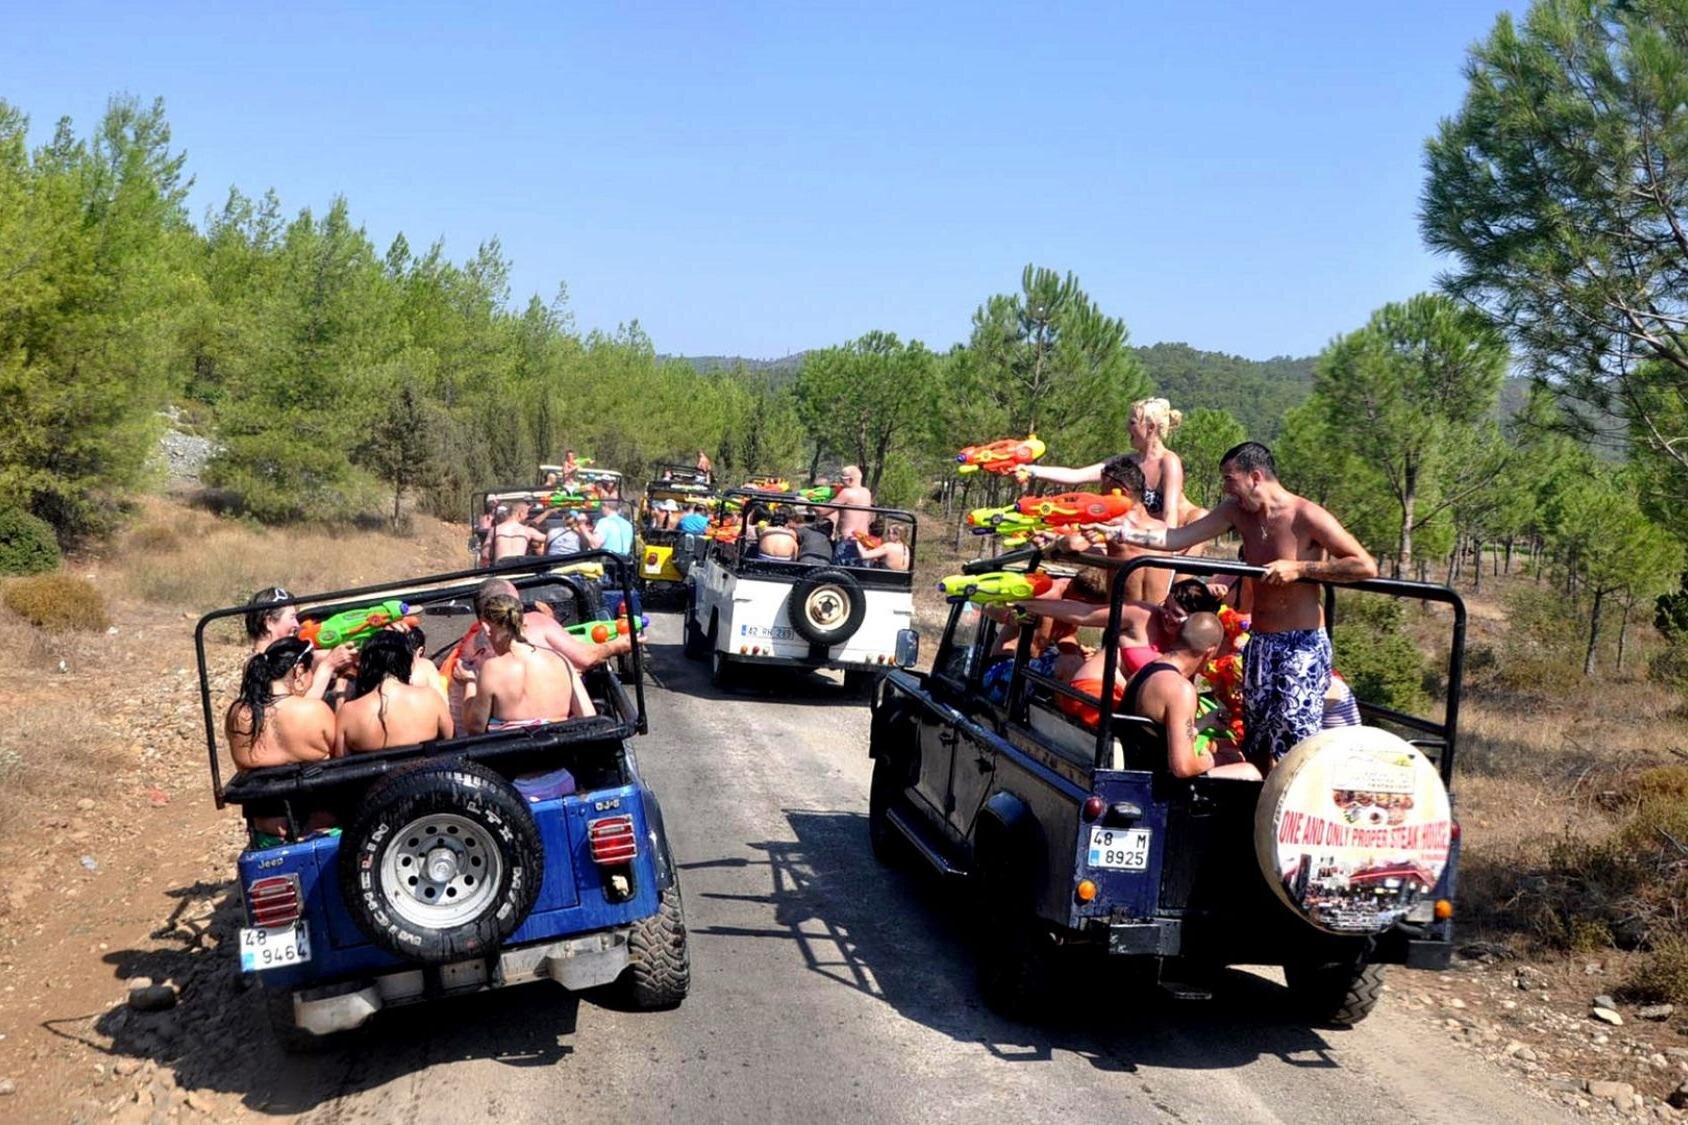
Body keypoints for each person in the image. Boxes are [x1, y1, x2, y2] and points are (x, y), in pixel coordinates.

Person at [1107, 441, 1378, 769]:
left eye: (1229, 479)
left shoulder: (1306, 514)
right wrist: (1122, 534)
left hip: (1301, 644)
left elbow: (1364, 565)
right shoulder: (1235, 511)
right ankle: (1254, 796)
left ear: (1255, 477)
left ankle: (1287, 800)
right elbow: (1177, 538)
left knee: (1293, 739)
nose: (1225, 488)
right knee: (1255, 737)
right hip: (1259, 642)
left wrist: (1300, 569)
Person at [1121, 613, 1260, 780]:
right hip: (1157, 784)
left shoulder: (1142, 672)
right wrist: (1214, 759)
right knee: (1249, 772)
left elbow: (1151, 734)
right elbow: (1183, 768)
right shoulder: (1180, 689)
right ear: (1209, 653)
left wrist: (1204, 723)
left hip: (1133, 768)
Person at [1022, 396, 1189, 528]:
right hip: (1131, 538)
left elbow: (1170, 517)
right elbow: (1076, 475)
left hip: (1158, 542)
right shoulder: (1125, 463)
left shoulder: (1169, 462)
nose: (1127, 427)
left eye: (1132, 423)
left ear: (1151, 427)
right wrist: (1031, 470)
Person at [465, 594, 592, 732]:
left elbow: (475, 728)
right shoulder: (560, 660)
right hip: (561, 743)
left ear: (486, 628)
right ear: (523, 621)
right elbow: (588, 716)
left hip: (514, 745)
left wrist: (469, 682)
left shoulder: (492, 669)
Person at [226, 638, 337, 770]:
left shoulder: (237, 713)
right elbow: (341, 756)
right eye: (311, 670)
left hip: (258, 784)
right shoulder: (316, 711)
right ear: (299, 671)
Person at [337, 631, 453, 754]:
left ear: (366, 665)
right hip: (425, 765)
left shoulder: (348, 713)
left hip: (373, 766)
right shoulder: (430, 698)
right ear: (407, 663)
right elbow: (450, 741)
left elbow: (340, 759)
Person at [243, 587, 355, 699]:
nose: (296, 624)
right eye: (292, 617)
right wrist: (329, 664)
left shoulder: (276, 658)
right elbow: (295, 707)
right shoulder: (257, 665)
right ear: (269, 622)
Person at [825, 465, 875, 564]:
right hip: (863, 541)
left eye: (842, 479)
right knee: (859, 571)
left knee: (840, 572)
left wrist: (808, 502)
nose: (841, 483)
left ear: (850, 480)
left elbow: (824, 511)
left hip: (848, 541)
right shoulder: (867, 493)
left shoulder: (846, 493)